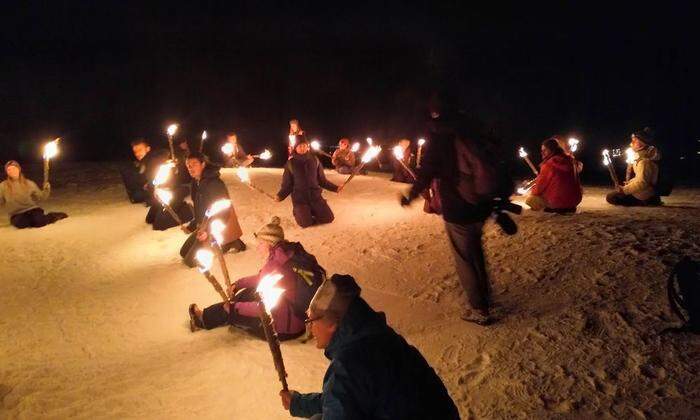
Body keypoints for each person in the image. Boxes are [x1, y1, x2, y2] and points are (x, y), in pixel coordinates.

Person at [280, 274, 460, 419]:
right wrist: (298, 403)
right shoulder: (382, 338)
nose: (309, 327)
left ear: (332, 323)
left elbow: (345, 397)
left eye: (310, 320)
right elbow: (348, 399)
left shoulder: (348, 366)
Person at [400, 96, 511, 325]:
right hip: (481, 204)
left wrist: (411, 195)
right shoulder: (472, 132)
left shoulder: (441, 139)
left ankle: (479, 308)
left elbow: (427, 170)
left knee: (464, 258)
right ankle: (485, 299)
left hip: (458, 205)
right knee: (475, 252)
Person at [189, 216, 325, 339]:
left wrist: (234, 308)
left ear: (270, 243)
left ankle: (202, 320)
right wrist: (239, 283)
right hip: (295, 318)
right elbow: (262, 278)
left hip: (281, 328)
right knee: (246, 294)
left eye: (260, 243)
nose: (257, 247)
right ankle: (217, 313)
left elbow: (264, 307)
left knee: (235, 307)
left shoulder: (275, 265)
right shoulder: (286, 253)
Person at [180, 152, 245, 267]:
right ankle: (228, 241)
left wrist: (208, 231)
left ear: (203, 164)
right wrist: (191, 226)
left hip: (216, 227)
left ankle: (229, 242)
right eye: (188, 165)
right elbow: (199, 209)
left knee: (190, 261)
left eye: (194, 164)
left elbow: (223, 211)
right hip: (204, 226)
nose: (190, 168)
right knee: (183, 252)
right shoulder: (196, 183)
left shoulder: (214, 183)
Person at [276, 136, 342, 228]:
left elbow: (322, 181)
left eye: (304, 146)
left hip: (316, 198)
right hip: (300, 200)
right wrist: (280, 196)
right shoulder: (290, 164)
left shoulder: (315, 160)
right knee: (305, 223)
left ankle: (312, 210)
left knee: (329, 218)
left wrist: (335, 188)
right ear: (295, 148)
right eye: (300, 146)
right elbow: (287, 185)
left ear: (308, 147)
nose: (302, 148)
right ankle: (299, 211)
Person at [1, 160, 68, 229]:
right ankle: (35, 219)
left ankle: (53, 216)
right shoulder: (3, 186)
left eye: (14, 168)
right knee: (21, 224)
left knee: (40, 222)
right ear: (6, 172)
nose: (12, 171)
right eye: (9, 169)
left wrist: (46, 190)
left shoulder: (29, 183)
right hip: (16, 214)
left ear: (19, 169)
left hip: (31, 209)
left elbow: (41, 197)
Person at [606, 129, 662, 206]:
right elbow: (641, 179)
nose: (631, 144)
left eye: (634, 141)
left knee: (611, 197)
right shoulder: (642, 159)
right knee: (613, 195)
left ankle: (647, 201)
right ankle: (650, 200)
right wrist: (630, 183)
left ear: (640, 144)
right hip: (644, 192)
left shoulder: (644, 162)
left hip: (644, 195)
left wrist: (624, 190)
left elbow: (642, 182)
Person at [525, 138, 582, 213]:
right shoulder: (572, 162)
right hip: (574, 201)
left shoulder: (549, 164)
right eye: (541, 150)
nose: (542, 153)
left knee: (530, 199)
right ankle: (566, 207)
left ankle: (553, 208)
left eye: (545, 150)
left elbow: (539, 187)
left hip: (557, 202)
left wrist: (533, 191)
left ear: (552, 150)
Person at [120, 138, 161, 204]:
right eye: (135, 152)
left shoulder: (154, 159)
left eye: (140, 150)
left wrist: (148, 185)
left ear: (148, 149)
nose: (137, 154)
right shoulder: (142, 163)